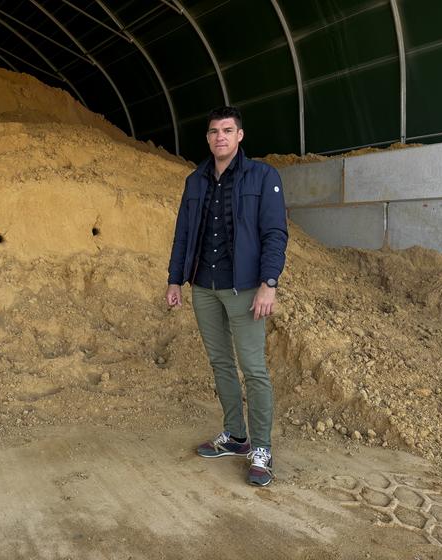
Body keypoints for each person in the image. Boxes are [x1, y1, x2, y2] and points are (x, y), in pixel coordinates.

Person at [165, 106, 288, 486]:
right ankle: (235, 436)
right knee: (220, 363)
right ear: (207, 138)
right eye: (214, 131)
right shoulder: (195, 181)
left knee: (253, 369)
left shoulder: (263, 176)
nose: (220, 136)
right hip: (203, 286)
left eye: (228, 130)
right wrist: (174, 280)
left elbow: (274, 233)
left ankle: (262, 449)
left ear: (240, 136)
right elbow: (183, 233)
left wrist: (269, 283)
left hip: (246, 289)